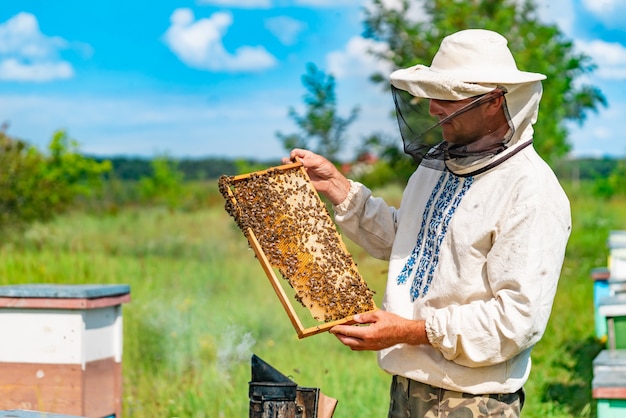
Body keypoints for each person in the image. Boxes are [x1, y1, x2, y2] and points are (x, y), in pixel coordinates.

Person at [284, 29, 571, 417]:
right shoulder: (436, 169)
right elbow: (408, 242)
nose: (434, 108)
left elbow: (515, 321)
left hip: (472, 401)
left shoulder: (530, 190)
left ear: (494, 101)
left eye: (447, 97)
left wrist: (407, 330)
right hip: (407, 388)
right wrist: (337, 186)